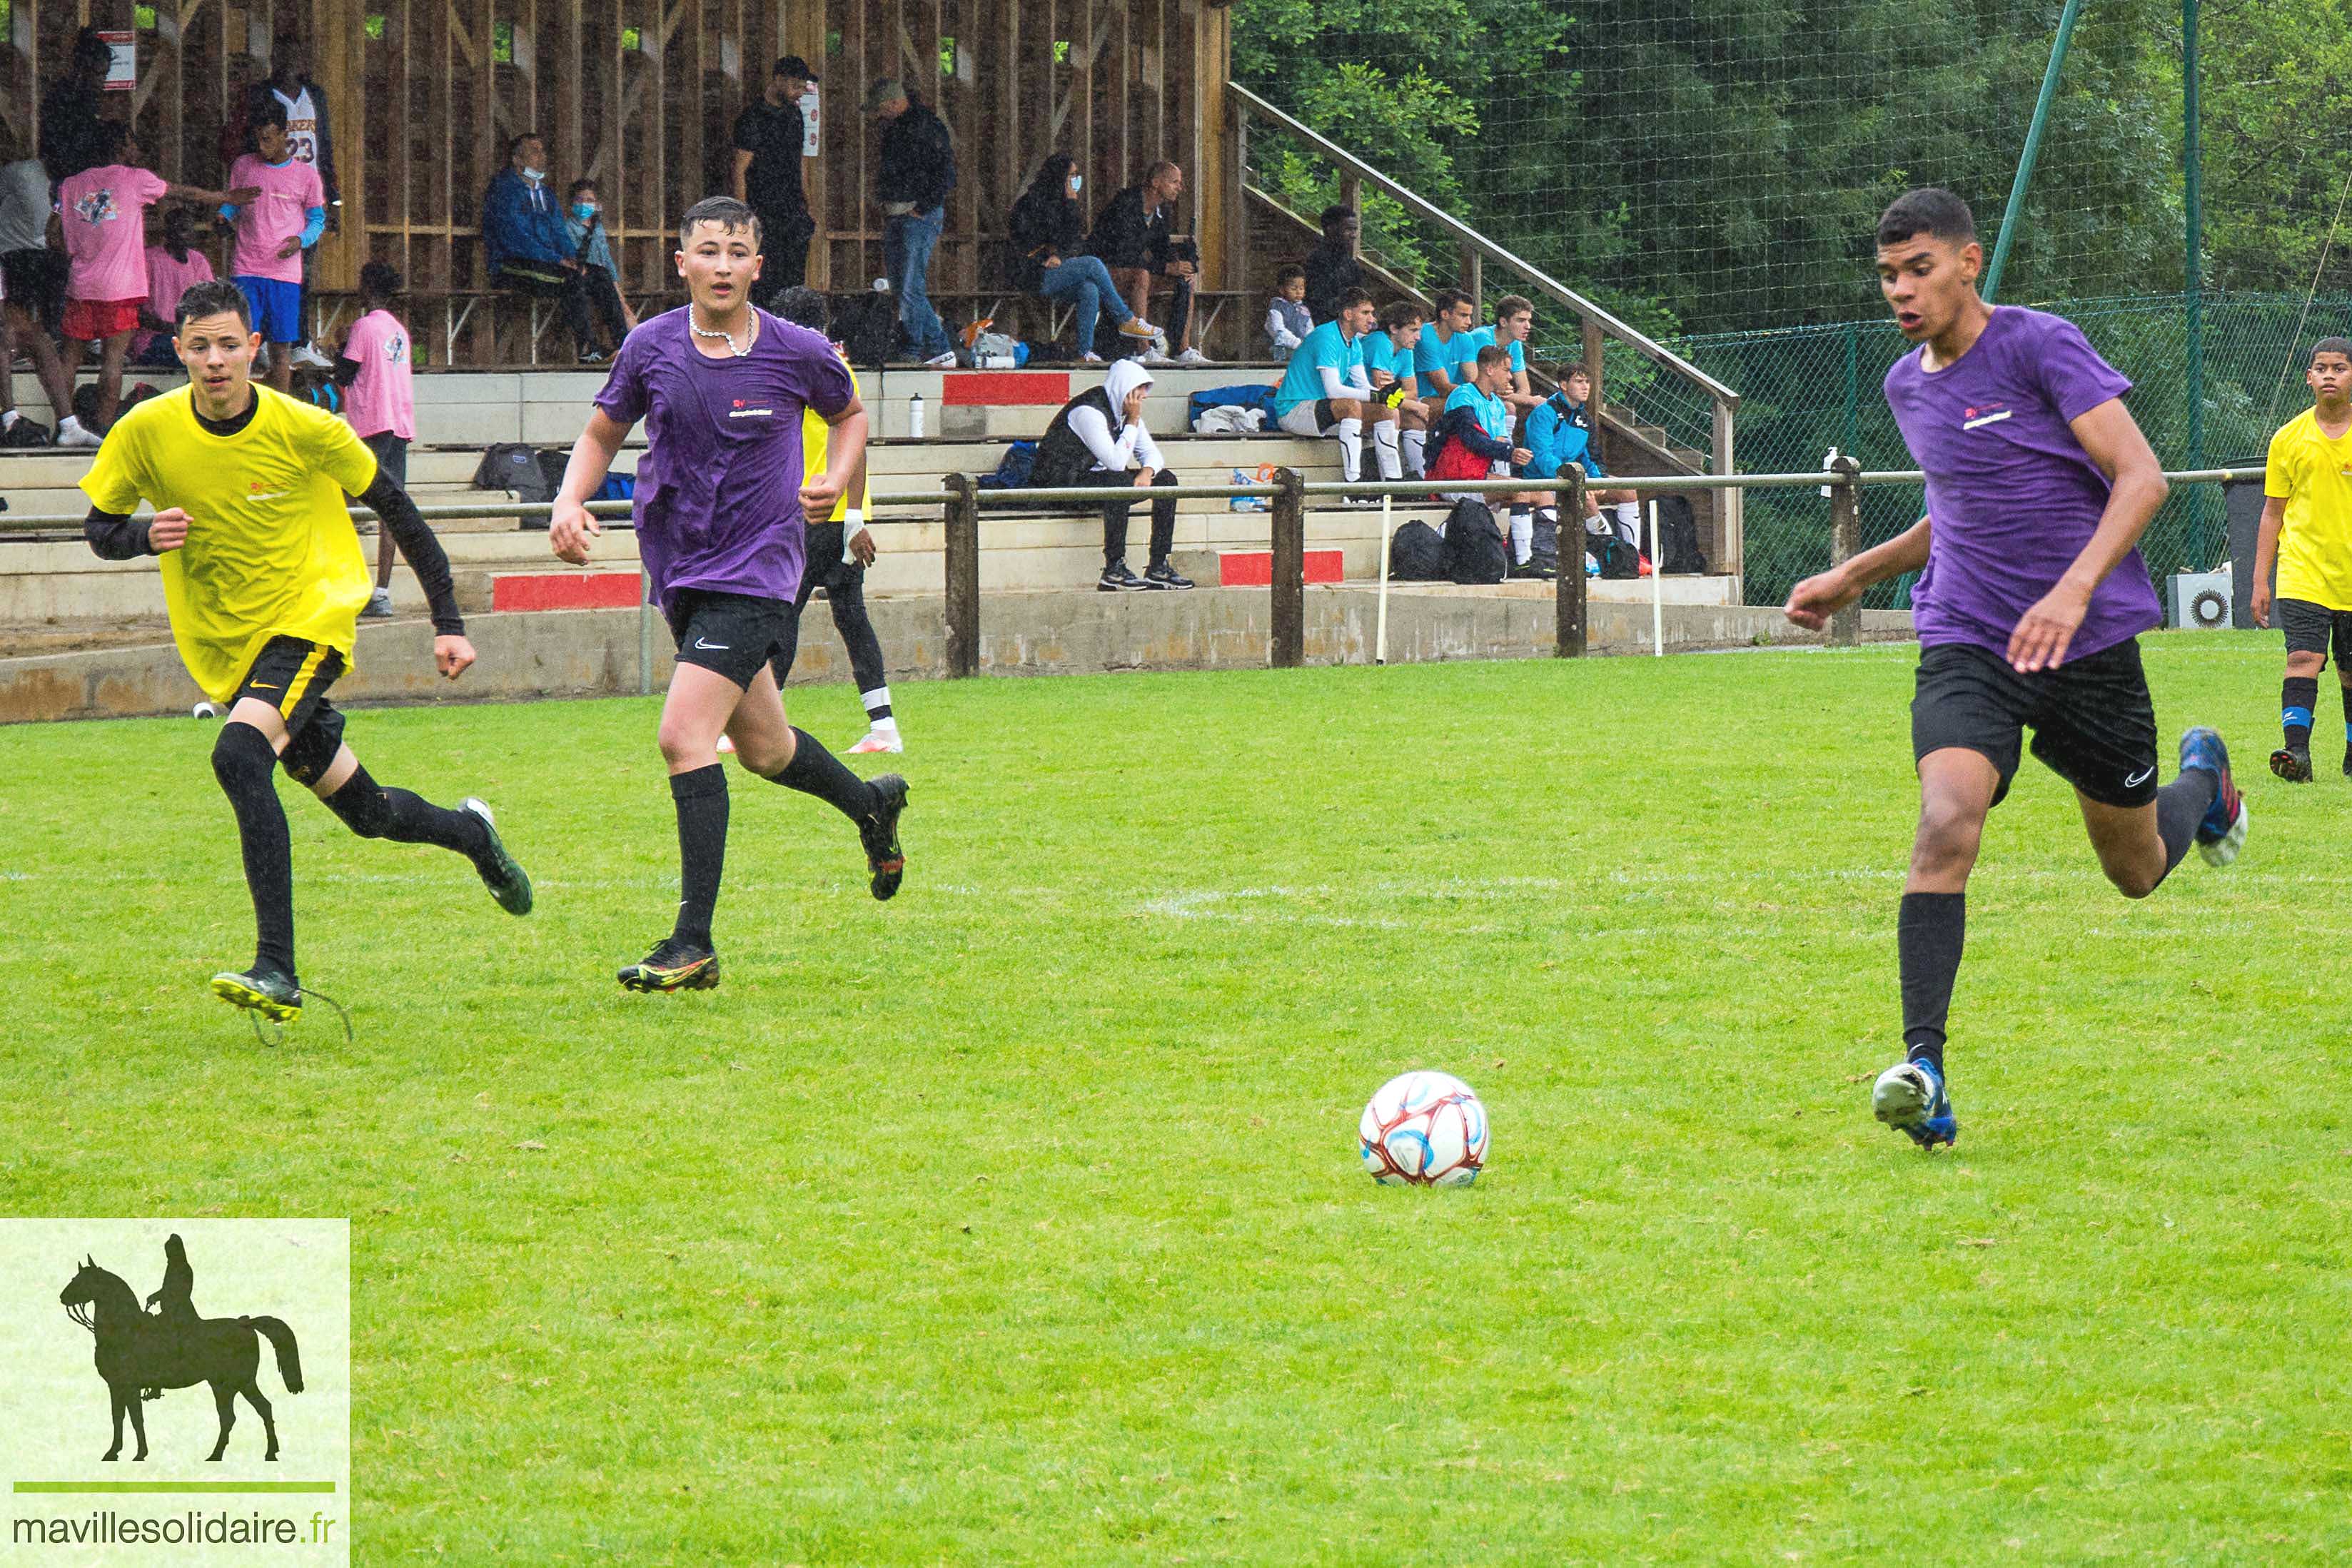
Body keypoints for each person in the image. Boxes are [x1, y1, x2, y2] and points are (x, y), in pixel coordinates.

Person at [1783, 187, 2248, 1151]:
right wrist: (1851, 572)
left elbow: (2141, 477)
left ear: (1965, 261)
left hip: (2085, 646)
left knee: (2134, 870)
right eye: (1885, 275)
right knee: (1944, 820)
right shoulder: (1906, 386)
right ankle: (1923, 1069)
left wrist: (2072, 589)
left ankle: (2202, 785)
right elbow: (1951, 509)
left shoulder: (2039, 345)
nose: (1899, 291)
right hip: (1966, 638)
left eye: (1916, 269)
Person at [78, 278, 533, 1025]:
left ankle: (277, 969)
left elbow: (402, 514)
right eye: (200, 346)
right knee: (370, 811)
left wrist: (447, 619)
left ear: (256, 348)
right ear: (179, 352)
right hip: (229, 647)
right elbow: (100, 529)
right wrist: (140, 536)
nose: (216, 360)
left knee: (236, 756)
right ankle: (472, 835)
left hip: (312, 620)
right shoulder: (146, 430)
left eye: (230, 344)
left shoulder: (306, 428)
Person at [547, 197, 909, 993]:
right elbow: (603, 431)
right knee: (765, 750)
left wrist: (837, 483)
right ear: (681, 263)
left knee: (683, 737)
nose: (720, 264)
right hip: (681, 571)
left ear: (757, 265)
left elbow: (849, 414)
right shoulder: (650, 347)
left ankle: (693, 942)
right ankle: (871, 806)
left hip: (758, 574)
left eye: (735, 251)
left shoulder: (796, 349)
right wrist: (568, 500)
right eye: (705, 250)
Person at [767, 285, 902, 753]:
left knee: (784, 609)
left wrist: (850, 521)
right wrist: (856, 519)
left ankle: (766, 722)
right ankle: (883, 727)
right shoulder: (827, 366)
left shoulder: (815, 369)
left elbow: (853, 444)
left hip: (817, 512)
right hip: (830, 512)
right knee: (851, 617)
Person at [59, 123, 248, 438]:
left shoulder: (71, 185)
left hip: (81, 283)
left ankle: (65, 427)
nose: (137, 151)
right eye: (133, 144)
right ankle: (104, 432)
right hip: (119, 287)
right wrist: (224, 196)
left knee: (69, 359)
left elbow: (59, 234)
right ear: (120, 147)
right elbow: (181, 192)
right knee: (113, 360)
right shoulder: (134, 178)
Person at [2251, 337, 2352, 783]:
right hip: (2302, 571)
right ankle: (2297, 756)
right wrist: (2260, 580)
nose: (2330, 375)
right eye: (2321, 368)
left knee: (2350, 671)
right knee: (2303, 659)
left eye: (2340, 367)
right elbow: (2272, 512)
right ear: (2308, 377)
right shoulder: (2287, 438)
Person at [1030, 358, 1195, 592]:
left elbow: (1152, 455)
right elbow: (1116, 463)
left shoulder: (1124, 414)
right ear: (1124, 388)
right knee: (1117, 481)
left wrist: (1147, 472)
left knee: (1166, 480)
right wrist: (1133, 421)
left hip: (1098, 480)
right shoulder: (1089, 411)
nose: (1144, 396)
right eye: (1139, 389)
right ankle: (1114, 567)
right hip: (1062, 483)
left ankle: (1158, 565)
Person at [243, 31, 339, 371]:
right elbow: (248, 143)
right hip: (272, 192)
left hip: (305, 192)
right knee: (266, 273)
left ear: (302, 60)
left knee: (303, 274)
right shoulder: (260, 95)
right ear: (273, 59)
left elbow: (325, 148)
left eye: (294, 55)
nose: (288, 62)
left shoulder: (315, 96)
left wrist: (335, 200)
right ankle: (270, 341)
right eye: (281, 55)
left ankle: (299, 341)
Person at [1006, 153, 1156, 363]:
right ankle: (1125, 318)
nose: (1076, 181)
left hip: (1055, 270)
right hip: (1031, 272)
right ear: (1059, 178)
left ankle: (1085, 352)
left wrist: (1060, 250)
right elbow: (1023, 241)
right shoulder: (1030, 204)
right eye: (1072, 176)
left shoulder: (1065, 204)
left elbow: (1073, 240)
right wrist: (1047, 255)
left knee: (1089, 289)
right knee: (1093, 264)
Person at [221, 104, 326, 394]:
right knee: (241, 345)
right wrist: (224, 215)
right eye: (257, 139)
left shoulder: (306, 176)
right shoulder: (243, 165)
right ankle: (238, 411)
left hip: (284, 275)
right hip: (246, 270)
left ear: (284, 134)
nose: (261, 146)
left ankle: (276, 415)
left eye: (268, 139)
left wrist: (301, 241)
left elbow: (318, 220)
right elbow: (232, 202)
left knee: (281, 352)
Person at [333, 261, 417, 619]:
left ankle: (345, 583)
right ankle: (381, 591)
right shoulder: (398, 330)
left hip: (373, 424)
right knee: (390, 509)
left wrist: (339, 346)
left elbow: (345, 373)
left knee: (341, 499)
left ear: (368, 288)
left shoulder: (363, 327)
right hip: (399, 423)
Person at [481, 133, 599, 364]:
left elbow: (559, 232)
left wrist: (575, 260)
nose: (541, 156)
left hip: (547, 264)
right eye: (534, 151)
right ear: (517, 159)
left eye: (542, 150)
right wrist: (556, 259)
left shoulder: (545, 194)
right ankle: (589, 350)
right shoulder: (504, 190)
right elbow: (516, 239)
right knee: (571, 280)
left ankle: (622, 344)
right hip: (512, 266)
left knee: (599, 277)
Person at [1273, 287, 1400, 497]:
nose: (1372, 319)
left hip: (1320, 410)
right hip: (1293, 410)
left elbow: (1363, 386)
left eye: (1372, 313)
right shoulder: (1326, 336)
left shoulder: (1355, 342)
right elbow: (1333, 390)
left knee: (1387, 410)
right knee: (1350, 405)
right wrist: (1375, 396)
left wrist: (1387, 394)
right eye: (1365, 313)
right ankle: (1353, 486)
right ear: (1348, 314)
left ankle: (1395, 484)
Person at [867, 79, 957, 368]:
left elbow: (945, 173)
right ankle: (926, 346)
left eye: (880, 109)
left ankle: (929, 346)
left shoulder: (926, 127)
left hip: (917, 215)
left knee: (910, 287)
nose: (878, 116)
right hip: (900, 213)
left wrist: (923, 207)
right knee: (901, 286)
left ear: (894, 102)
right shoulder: (899, 128)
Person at [1, 131, 81, 445]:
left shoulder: (64, 183)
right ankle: (10, 418)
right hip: (15, 252)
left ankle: (69, 423)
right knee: (15, 328)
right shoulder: (21, 172)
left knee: (43, 335)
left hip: (40, 254)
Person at [1090, 161, 1210, 366]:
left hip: (1131, 271)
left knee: (1185, 281)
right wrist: (1164, 268)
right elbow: (1122, 254)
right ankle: (1143, 348)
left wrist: (1181, 265)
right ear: (1156, 182)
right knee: (1142, 275)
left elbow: (1162, 249)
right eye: (1174, 182)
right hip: (1103, 271)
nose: (1179, 188)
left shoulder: (1160, 211)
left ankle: (1182, 349)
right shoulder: (1126, 204)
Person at [1429, 345, 1539, 560]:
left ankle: (1541, 557)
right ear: (1489, 369)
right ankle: (1524, 561)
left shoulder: (1497, 404)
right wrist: (1511, 454)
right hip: (1454, 477)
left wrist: (1509, 458)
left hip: (1478, 474)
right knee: (1521, 491)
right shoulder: (1462, 396)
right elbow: (1473, 440)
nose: (1510, 377)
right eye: (1506, 370)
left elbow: (1497, 444)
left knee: (1544, 494)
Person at [1523, 361, 1640, 553]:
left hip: (1575, 478)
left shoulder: (1585, 419)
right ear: (1563, 385)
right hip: (1543, 480)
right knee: (1587, 499)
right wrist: (1577, 481)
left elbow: (1591, 456)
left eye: (1587, 381)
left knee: (1627, 491)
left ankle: (1632, 555)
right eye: (1578, 381)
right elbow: (1543, 458)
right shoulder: (1544, 413)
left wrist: (1598, 482)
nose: (1585, 386)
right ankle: (1612, 553)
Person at [731, 54, 819, 304]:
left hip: (793, 211)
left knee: (794, 283)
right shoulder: (753, 118)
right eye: (796, 86)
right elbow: (740, 169)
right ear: (778, 80)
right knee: (765, 281)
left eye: (804, 87)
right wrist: (744, 214)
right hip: (764, 210)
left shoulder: (795, 116)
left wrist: (808, 202)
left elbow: (800, 161)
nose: (800, 93)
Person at [562, 178, 636, 356]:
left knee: (615, 301)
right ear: (572, 203)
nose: (584, 204)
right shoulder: (567, 228)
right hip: (580, 275)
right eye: (579, 200)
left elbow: (607, 261)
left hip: (600, 277)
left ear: (597, 205)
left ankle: (623, 344)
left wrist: (620, 295)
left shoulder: (597, 228)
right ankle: (592, 350)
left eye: (589, 200)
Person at [138, 204, 216, 367]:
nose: (188, 235)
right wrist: (174, 329)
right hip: (152, 340)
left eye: (189, 229)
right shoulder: (149, 259)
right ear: (168, 232)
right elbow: (138, 313)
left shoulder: (198, 261)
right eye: (182, 229)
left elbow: (210, 305)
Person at [39, 28, 114, 183]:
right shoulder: (63, 99)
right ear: (83, 70)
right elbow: (59, 147)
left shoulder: (89, 99)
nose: (103, 81)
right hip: (64, 177)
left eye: (105, 75)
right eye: (99, 74)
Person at [1361, 299, 1428, 472]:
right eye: (1413, 331)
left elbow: (1413, 391)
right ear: (1394, 329)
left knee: (1415, 421)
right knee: (1394, 412)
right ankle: (1391, 480)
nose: (1418, 337)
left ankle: (1420, 479)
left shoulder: (1406, 349)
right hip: (1354, 403)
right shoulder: (1380, 341)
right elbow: (1381, 392)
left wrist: (1401, 397)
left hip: (1379, 405)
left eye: (1419, 331)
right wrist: (1410, 404)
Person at [1453, 295, 1545, 415]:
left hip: (1484, 396)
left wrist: (1511, 396)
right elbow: (1483, 388)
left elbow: (1524, 387)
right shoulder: (1482, 337)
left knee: (1515, 407)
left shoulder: (1515, 342)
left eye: (1529, 320)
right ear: (1503, 322)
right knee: (1508, 407)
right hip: (1461, 393)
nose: (1528, 326)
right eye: (1521, 320)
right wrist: (1530, 400)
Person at [1413, 288, 1476, 414]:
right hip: (1420, 399)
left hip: (1452, 397)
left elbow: (1474, 380)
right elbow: (1443, 388)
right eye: (1463, 316)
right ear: (1445, 315)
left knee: (1505, 407)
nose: (1469, 322)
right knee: (1466, 408)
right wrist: (1480, 394)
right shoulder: (1425, 336)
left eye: (1470, 316)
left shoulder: (1466, 338)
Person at [1265, 264, 1311, 361]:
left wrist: (1309, 344)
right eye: (1294, 289)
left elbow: (1310, 330)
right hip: (1281, 352)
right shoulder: (1277, 308)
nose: (1298, 292)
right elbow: (1278, 331)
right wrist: (1298, 344)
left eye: (1301, 288)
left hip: (1301, 351)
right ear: (1282, 290)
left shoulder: (1304, 310)